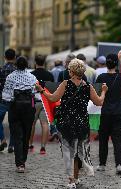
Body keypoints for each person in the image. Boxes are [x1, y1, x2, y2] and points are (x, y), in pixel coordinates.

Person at [36, 58, 107, 188]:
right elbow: (99, 102)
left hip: (67, 123)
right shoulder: (88, 86)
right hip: (81, 123)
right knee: (78, 152)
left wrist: (41, 90)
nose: (68, 71)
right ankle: (76, 178)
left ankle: (71, 181)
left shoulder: (65, 84)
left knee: (69, 152)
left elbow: (53, 98)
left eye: (69, 69)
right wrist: (103, 91)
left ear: (73, 72)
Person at [2, 56, 37, 172]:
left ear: (16, 65)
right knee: (26, 135)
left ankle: (19, 164)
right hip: (28, 108)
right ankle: (24, 160)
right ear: (27, 65)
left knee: (17, 136)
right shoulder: (32, 77)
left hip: (15, 108)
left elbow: (5, 96)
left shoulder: (10, 77)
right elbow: (35, 94)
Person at [95, 51, 121, 175]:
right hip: (118, 112)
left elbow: (97, 94)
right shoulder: (120, 77)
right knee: (118, 140)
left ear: (106, 64)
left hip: (105, 112)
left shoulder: (101, 77)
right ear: (115, 64)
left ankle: (102, 165)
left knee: (103, 139)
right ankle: (119, 165)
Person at [29, 55, 54, 155]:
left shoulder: (31, 74)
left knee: (32, 124)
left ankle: (30, 145)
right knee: (45, 124)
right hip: (45, 101)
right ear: (44, 63)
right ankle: (43, 147)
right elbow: (52, 89)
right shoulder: (50, 75)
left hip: (34, 101)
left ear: (35, 62)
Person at [0, 48, 16, 153]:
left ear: (5, 58)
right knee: (14, 123)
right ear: (15, 58)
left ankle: (2, 139)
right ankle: (12, 145)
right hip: (15, 100)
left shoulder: (1, 70)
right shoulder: (17, 70)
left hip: (3, 99)